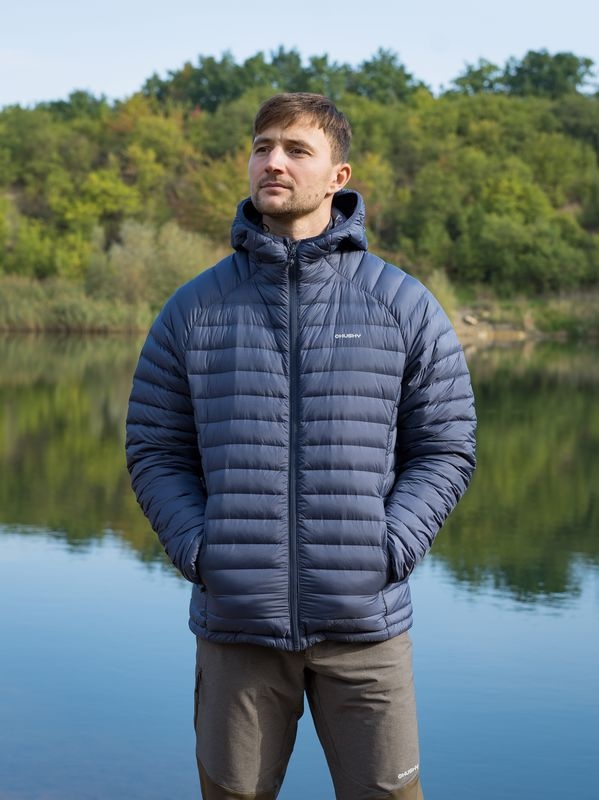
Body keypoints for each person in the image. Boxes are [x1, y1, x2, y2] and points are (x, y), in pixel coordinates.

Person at [126, 93, 476, 800]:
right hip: (238, 626)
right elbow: (155, 449)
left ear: (338, 176)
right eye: (261, 147)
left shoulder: (401, 304)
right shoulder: (194, 309)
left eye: (295, 149)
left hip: (366, 626)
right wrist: (201, 549)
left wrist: (389, 547)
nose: (273, 162)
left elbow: (445, 446)